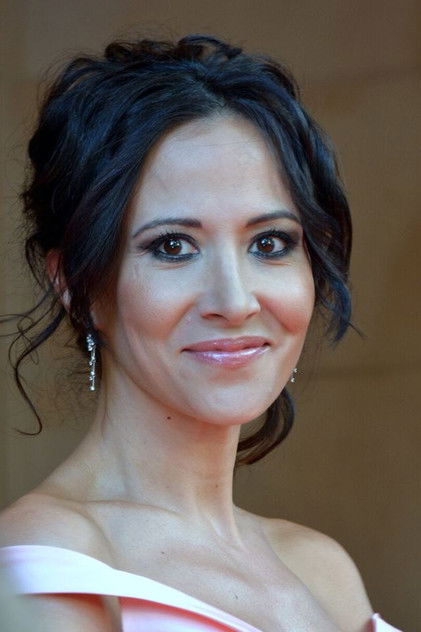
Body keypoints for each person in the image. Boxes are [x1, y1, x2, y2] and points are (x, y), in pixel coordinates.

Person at [0, 34, 401, 631]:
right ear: (78, 284)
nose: (235, 302)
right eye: (173, 246)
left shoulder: (323, 567)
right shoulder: (48, 561)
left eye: (270, 243)